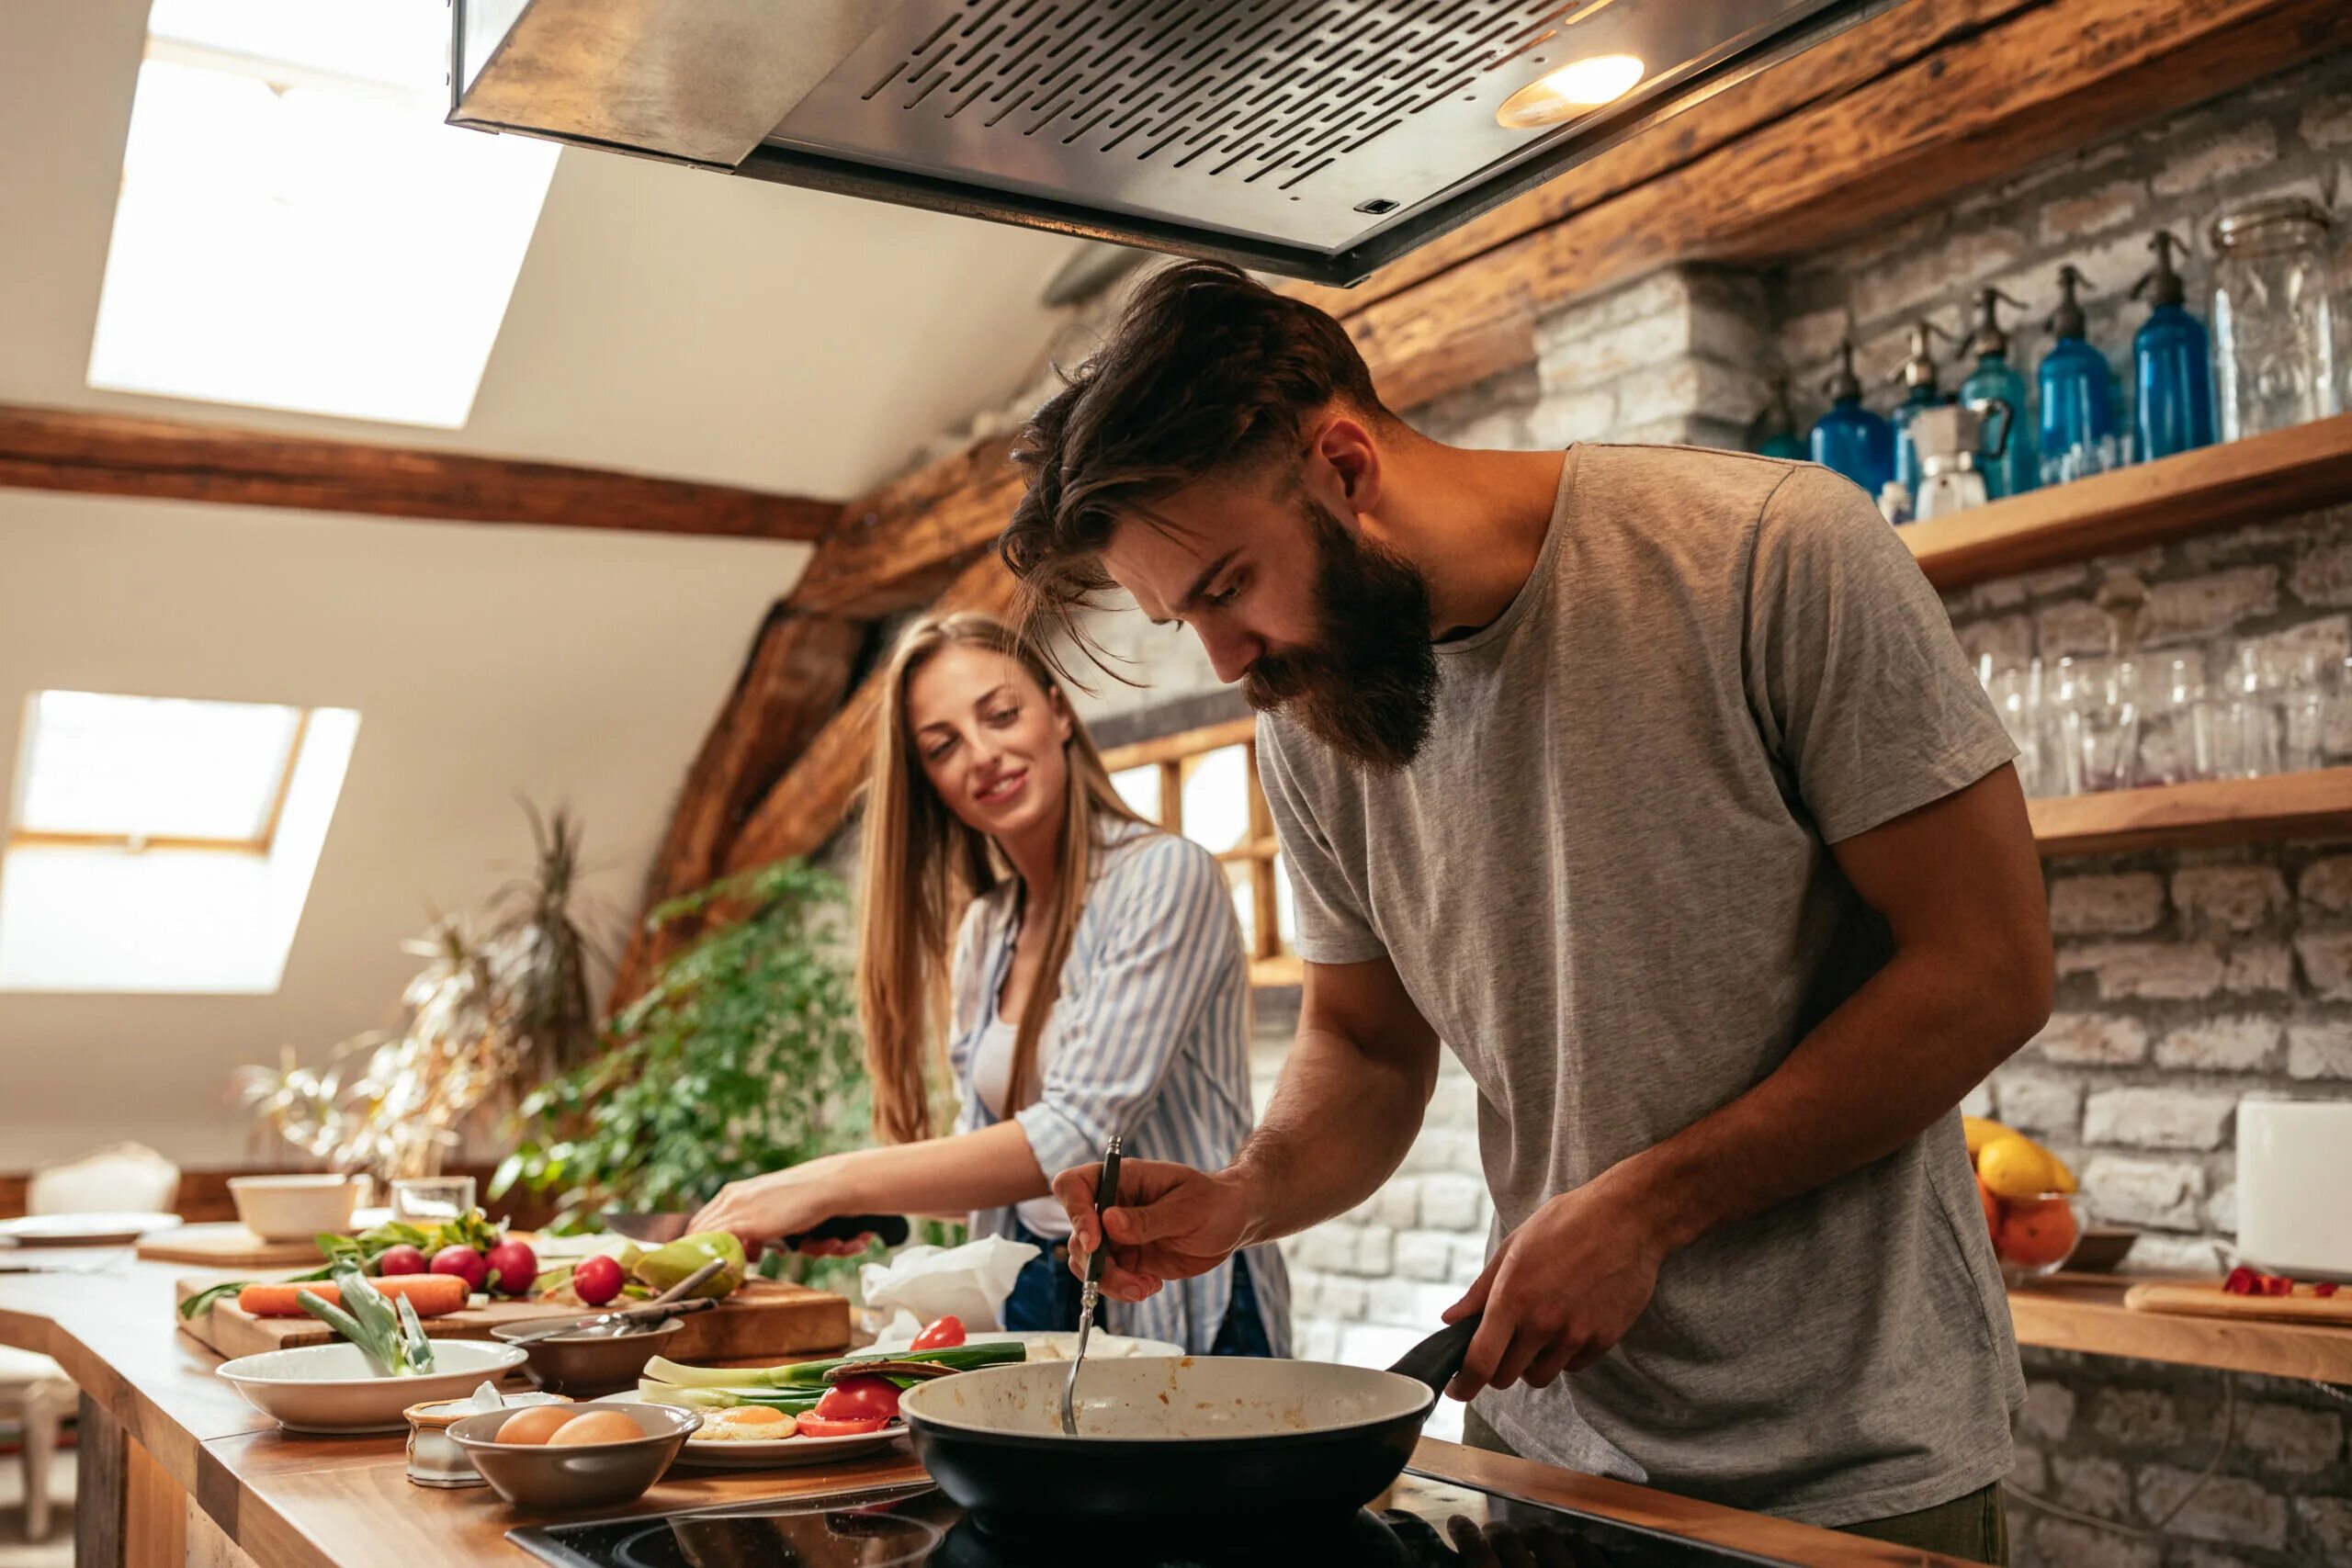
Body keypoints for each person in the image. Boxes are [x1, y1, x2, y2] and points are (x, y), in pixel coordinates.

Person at [996, 262, 2051, 1562]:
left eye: (1224, 587)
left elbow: (1989, 965)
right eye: (1178, 618)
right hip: (1542, 1460)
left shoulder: (1772, 551)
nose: (1223, 659)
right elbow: (1370, 1045)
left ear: (1342, 463)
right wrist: (1244, 1194)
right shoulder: (1315, 718)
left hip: (1849, 1467)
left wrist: (1649, 1206)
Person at [691, 611, 1287, 1356]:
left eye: (1001, 714)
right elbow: (998, 1163)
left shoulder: (1165, 877)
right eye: (943, 746)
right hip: (1040, 1295)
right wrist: (881, 1215)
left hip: (1184, 1305)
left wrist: (830, 1181)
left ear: (1059, 711)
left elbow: (1075, 1132)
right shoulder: (988, 927)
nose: (983, 755)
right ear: (931, 782)